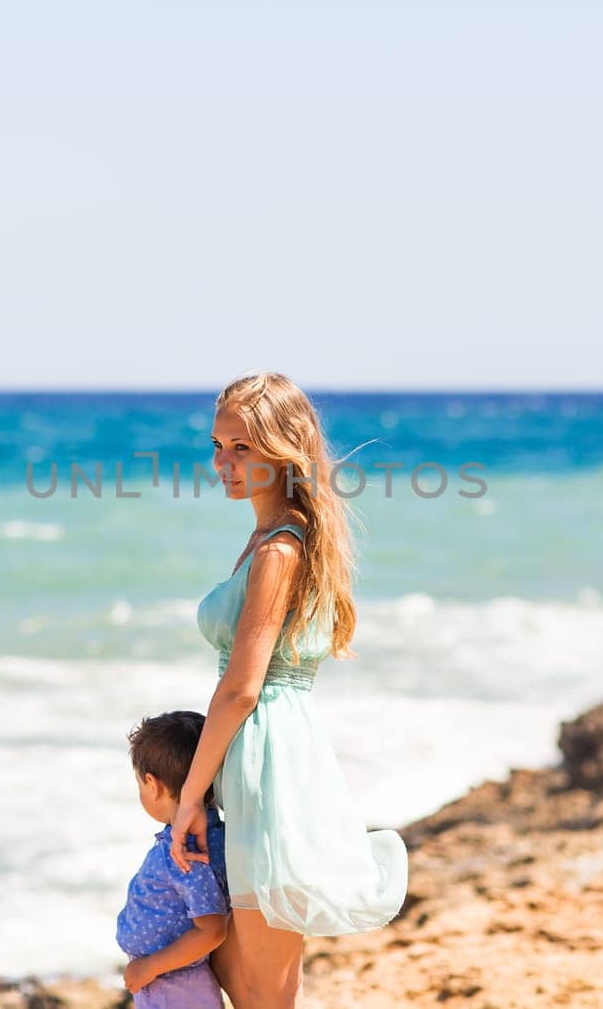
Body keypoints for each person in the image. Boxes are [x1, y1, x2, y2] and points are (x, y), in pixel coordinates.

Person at [171, 372, 409, 1009]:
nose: (223, 462)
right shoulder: (269, 538)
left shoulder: (281, 547)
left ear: (284, 450)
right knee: (242, 975)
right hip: (263, 754)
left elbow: (241, 689)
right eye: (219, 445)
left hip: (269, 762)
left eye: (243, 447)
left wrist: (189, 799)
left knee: (265, 990)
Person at [117, 711, 232, 1008]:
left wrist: (150, 966)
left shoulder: (187, 851)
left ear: (151, 784)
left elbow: (212, 930)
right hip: (172, 977)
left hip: (174, 982)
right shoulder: (210, 832)